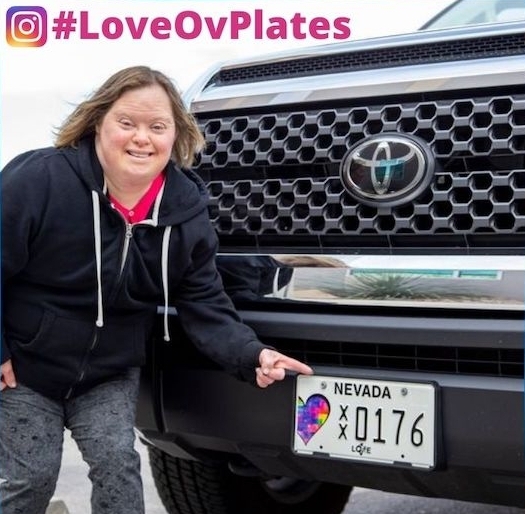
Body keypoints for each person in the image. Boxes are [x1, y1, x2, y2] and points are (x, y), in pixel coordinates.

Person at [0, 65, 313, 514]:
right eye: (126, 123)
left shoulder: (185, 212)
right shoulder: (40, 180)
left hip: (108, 374)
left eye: (157, 127)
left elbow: (204, 302)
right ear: (98, 124)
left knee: (118, 467)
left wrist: (252, 355)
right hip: (26, 368)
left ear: (175, 135)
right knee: (32, 477)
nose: (141, 138)